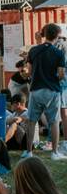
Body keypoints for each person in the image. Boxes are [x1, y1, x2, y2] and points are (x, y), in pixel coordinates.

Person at [24, 23, 66, 160]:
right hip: (52, 89)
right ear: (56, 36)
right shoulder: (59, 53)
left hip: (36, 89)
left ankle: (29, 151)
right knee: (54, 122)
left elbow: (29, 71)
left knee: (32, 121)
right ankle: (54, 152)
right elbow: (61, 75)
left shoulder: (34, 50)